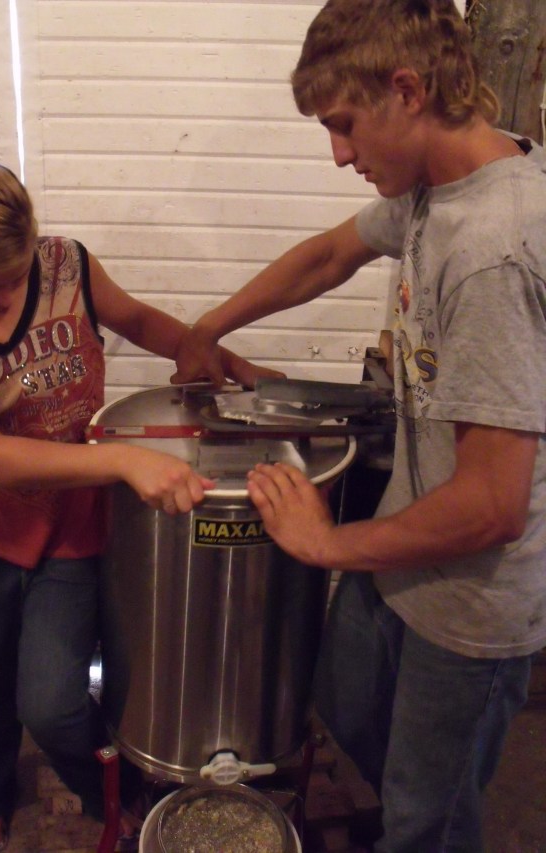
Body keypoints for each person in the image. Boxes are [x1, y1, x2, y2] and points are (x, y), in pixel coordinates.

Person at [172, 0, 546, 849]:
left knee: (425, 815)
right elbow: (329, 254)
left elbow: (492, 505)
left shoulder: (493, 251)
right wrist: (210, 326)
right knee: (345, 702)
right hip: (407, 544)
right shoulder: (433, 189)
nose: (339, 154)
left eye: (344, 125)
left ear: (407, 91)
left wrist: (325, 543)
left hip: (472, 604)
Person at [0, 135, 278, 853]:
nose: (6, 299)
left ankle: (102, 779)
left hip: (74, 531)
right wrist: (125, 462)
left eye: (16, 278)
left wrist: (210, 351)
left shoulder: (66, 264)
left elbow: (137, 320)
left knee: (49, 701)